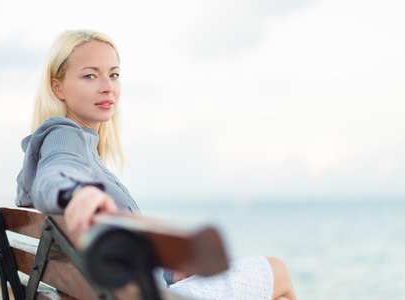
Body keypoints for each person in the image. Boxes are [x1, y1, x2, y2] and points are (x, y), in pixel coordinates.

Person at [15, 29, 296, 300]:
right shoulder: (64, 135)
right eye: (90, 76)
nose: (108, 87)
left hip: (131, 288)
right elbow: (55, 174)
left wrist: (171, 271)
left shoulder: (78, 144)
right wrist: (76, 194)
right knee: (278, 271)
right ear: (57, 87)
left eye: (114, 75)